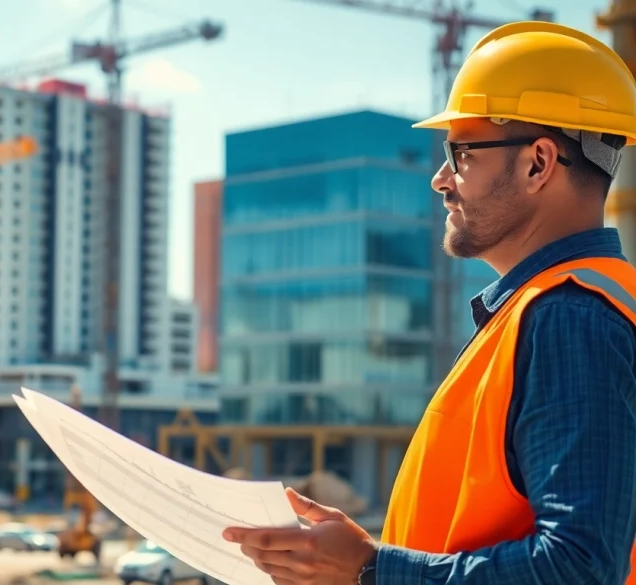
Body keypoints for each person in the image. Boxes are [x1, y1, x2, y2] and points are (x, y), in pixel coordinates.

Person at [222, 20, 636, 585]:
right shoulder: (543, 313)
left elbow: (579, 569)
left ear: (538, 163)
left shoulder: (570, 317)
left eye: (462, 152)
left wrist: (370, 569)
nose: (441, 179)